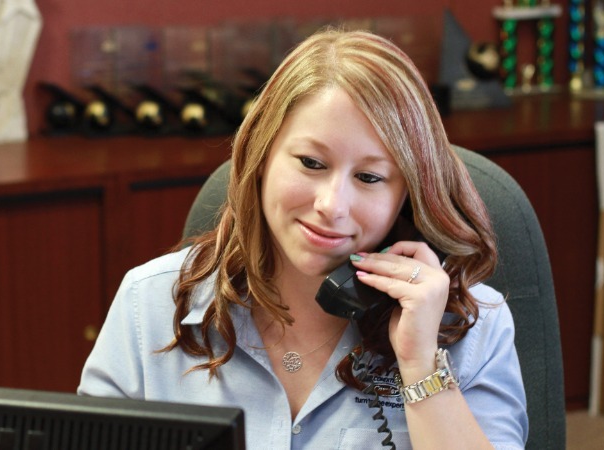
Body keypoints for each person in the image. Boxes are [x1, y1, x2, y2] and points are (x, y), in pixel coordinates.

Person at [78, 28, 528, 449]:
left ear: (408, 197)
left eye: (370, 177)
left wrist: (421, 366)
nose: (332, 205)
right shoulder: (148, 303)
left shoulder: (473, 329)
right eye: (312, 163)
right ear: (261, 155)